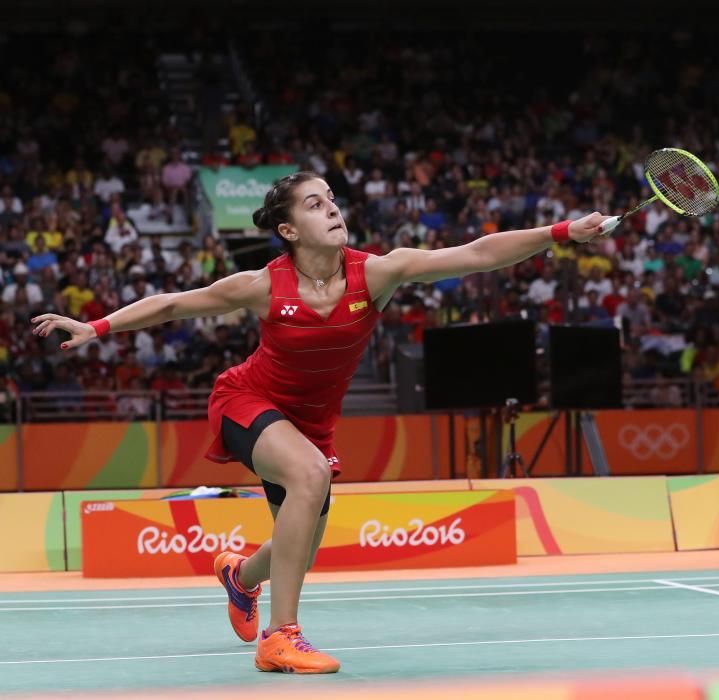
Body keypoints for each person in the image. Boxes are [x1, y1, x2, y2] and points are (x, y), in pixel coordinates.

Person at [31, 170, 610, 675]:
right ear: (287, 230)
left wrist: (561, 233)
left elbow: (479, 253)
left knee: (298, 548)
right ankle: (278, 639)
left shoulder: (377, 274)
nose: (331, 208)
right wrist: (97, 327)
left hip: (311, 425)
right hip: (246, 402)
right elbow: (175, 303)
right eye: (314, 204)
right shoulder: (264, 286)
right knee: (310, 475)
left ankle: (239, 575)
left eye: (331, 198)